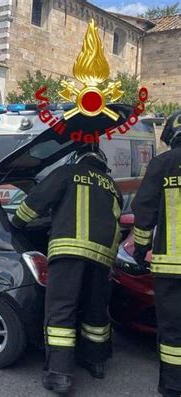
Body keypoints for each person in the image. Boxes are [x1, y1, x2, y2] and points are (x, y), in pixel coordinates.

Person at [11, 145, 123, 394]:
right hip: (102, 257)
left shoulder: (67, 172)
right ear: (102, 164)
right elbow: (117, 221)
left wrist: (16, 223)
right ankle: (96, 362)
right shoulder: (111, 185)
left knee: (61, 311)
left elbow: (35, 203)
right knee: (96, 311)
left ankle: (60, 374)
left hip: (68, 252)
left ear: (78, 158)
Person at [131, 110, 181, 397]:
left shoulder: (162, 164)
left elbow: (144, 212)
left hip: (171, 269)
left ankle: (173, 386)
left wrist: (140, 250)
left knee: (173, 333)